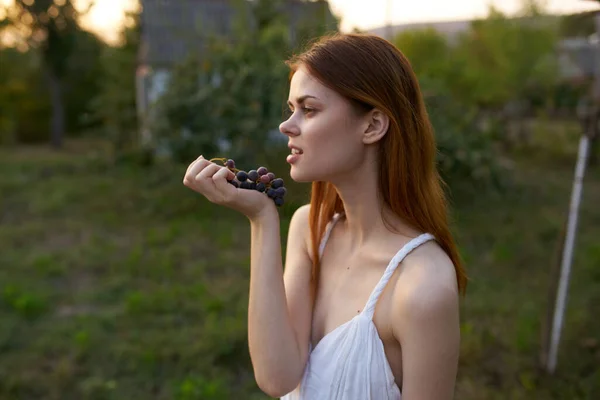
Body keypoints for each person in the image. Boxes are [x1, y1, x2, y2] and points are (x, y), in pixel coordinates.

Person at [183, 33, 468, 400]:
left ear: (372, 126)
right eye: (291, 109)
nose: (287, 126)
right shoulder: (311, 229)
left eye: (309, 109)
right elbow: (277, 376)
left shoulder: (423, 286)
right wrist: (261, 220)